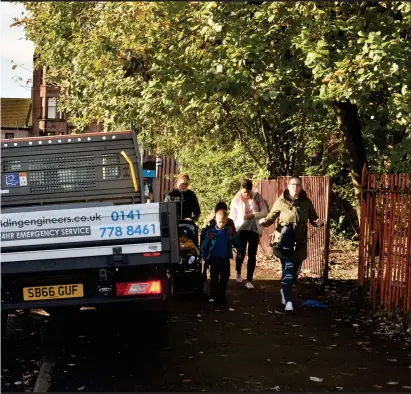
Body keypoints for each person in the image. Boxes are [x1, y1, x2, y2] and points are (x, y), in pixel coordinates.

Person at [259, 176, 324, 311]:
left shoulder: (306, 202)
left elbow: (313, 218)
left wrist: (318, 222)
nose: (295, 187)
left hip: (300, 243)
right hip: (284, 241)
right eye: (293, 184)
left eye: (298, 185)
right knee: (288, 270)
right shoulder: (280, 201)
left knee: (294, 272)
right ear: (288, 186)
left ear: (301, 187)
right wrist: (265, 221)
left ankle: (285, 290)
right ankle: (288, 301)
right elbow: (271, 218)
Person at [229, 179, 268, 289]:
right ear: (241, 189)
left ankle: (249, 279)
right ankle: (238, 272)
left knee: (252, 253)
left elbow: (265, 212)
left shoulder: (257, 197)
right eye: (245, 191)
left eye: (248, 192)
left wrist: (253, 215)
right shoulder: (236, 200)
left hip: (254, 227)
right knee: (241, 251)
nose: (246, 194)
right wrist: (231, 230)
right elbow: (232, 216)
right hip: (241, 228)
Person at [200, 210, 242, 304]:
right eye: (219, 222)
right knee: (214, 277)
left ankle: (221, 295)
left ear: (226, 220)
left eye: (223, 222)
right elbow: (205, 244)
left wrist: (239, 250)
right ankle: (213, 295)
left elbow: (236, 241)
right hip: (214, 258)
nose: (221, 224)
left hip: (225, 258)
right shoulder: (211, 232)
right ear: (215, 220)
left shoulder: (229, 231)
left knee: (225, 277)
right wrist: (202, 255)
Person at [200, 201, 237, 281]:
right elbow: (206, 231)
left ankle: (206, 271)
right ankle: (205, 270)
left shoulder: (229, 221)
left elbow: (234, 233)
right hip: (213, 244)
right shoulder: (212, 220)